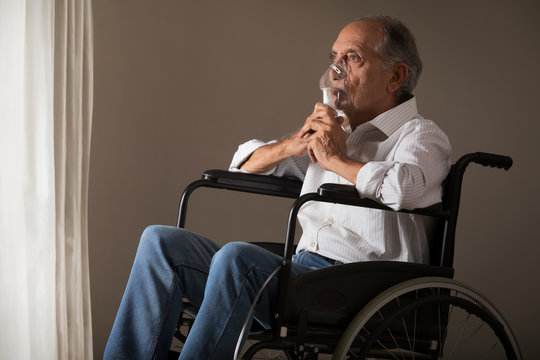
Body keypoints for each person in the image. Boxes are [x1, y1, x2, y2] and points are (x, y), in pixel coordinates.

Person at [104, 15, 451, 359]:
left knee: (238, 258)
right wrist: (293, 146)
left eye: (353, 58)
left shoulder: (421, 136)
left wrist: (334, 161)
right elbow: (244, 164)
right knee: (160, 241)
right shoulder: (335, 135)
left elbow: (405, 189)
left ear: (396, 76)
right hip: (303, 275)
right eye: (334, 59)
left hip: (366, 286)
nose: (337, 71)